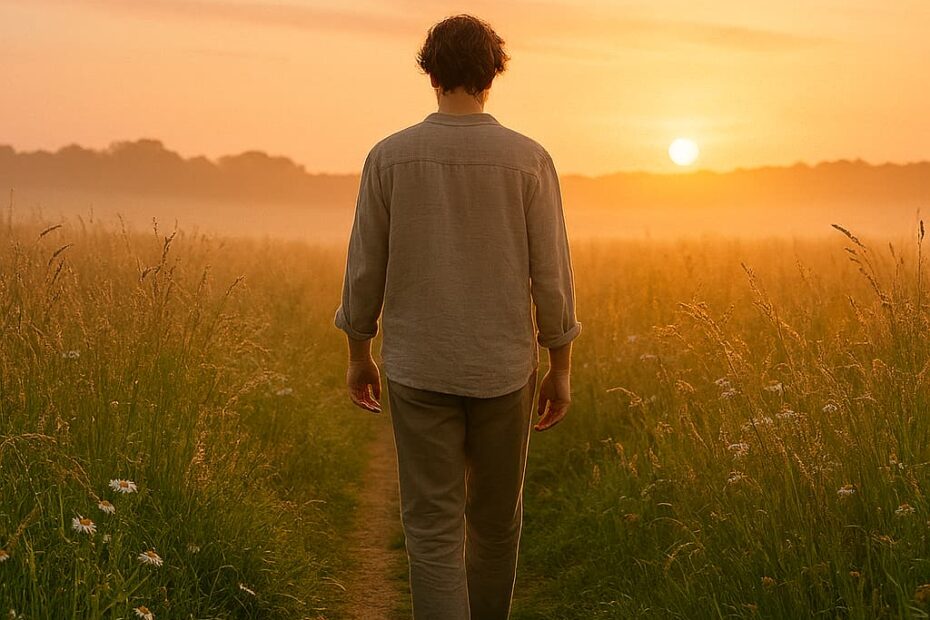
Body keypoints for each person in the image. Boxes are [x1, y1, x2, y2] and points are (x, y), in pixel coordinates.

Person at [334, 13, 581, 619]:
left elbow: (365, 266)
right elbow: (552, 274)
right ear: (493, 72)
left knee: (432, 528)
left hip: (418, 367)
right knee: (497, 524)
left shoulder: (389, 157)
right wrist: (561, 365)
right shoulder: (529, 160)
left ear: (430, 69)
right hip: (503, 368)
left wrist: (359, 353)